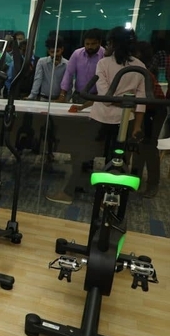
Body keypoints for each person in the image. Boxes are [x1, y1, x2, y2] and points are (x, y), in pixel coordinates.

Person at [46, 27, 146, 205]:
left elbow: (105, 97)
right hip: (125, 119)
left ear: (112, 44)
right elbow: (139, 101)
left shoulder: (104, 63)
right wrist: (131, 110)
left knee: (83, 154)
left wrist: (121, 104)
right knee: (115, 160)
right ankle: (103, 197)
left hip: (102, 119)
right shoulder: (139, 66)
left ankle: (71, 193)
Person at [133, 41, 165, 198]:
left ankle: (153, 184)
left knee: (149, 147)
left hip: (154, 110)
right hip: (143, 109)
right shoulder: (136, 69)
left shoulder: (143, 72)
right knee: (138, 144)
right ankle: (135, 179)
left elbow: (148, 98)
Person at [58, 28, 105, 103]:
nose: (89, 47)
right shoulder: (77, 54)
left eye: (93, 44)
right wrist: (62, 94)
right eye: (87, 44)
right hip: (79, 96)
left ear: (99, 42)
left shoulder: (104, 55)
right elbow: (68, 74)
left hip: (97, 96)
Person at [28, 36, 68, 101]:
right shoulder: (42, 62)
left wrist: (67, 99)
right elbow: (38, 79)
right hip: (44, 99)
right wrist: (32, 96)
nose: (55, 54)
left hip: (59, 100)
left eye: (57, 51)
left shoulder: (67, 64)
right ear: (48, 51)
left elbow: (68, 83)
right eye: (52, 52)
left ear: (62, 49)